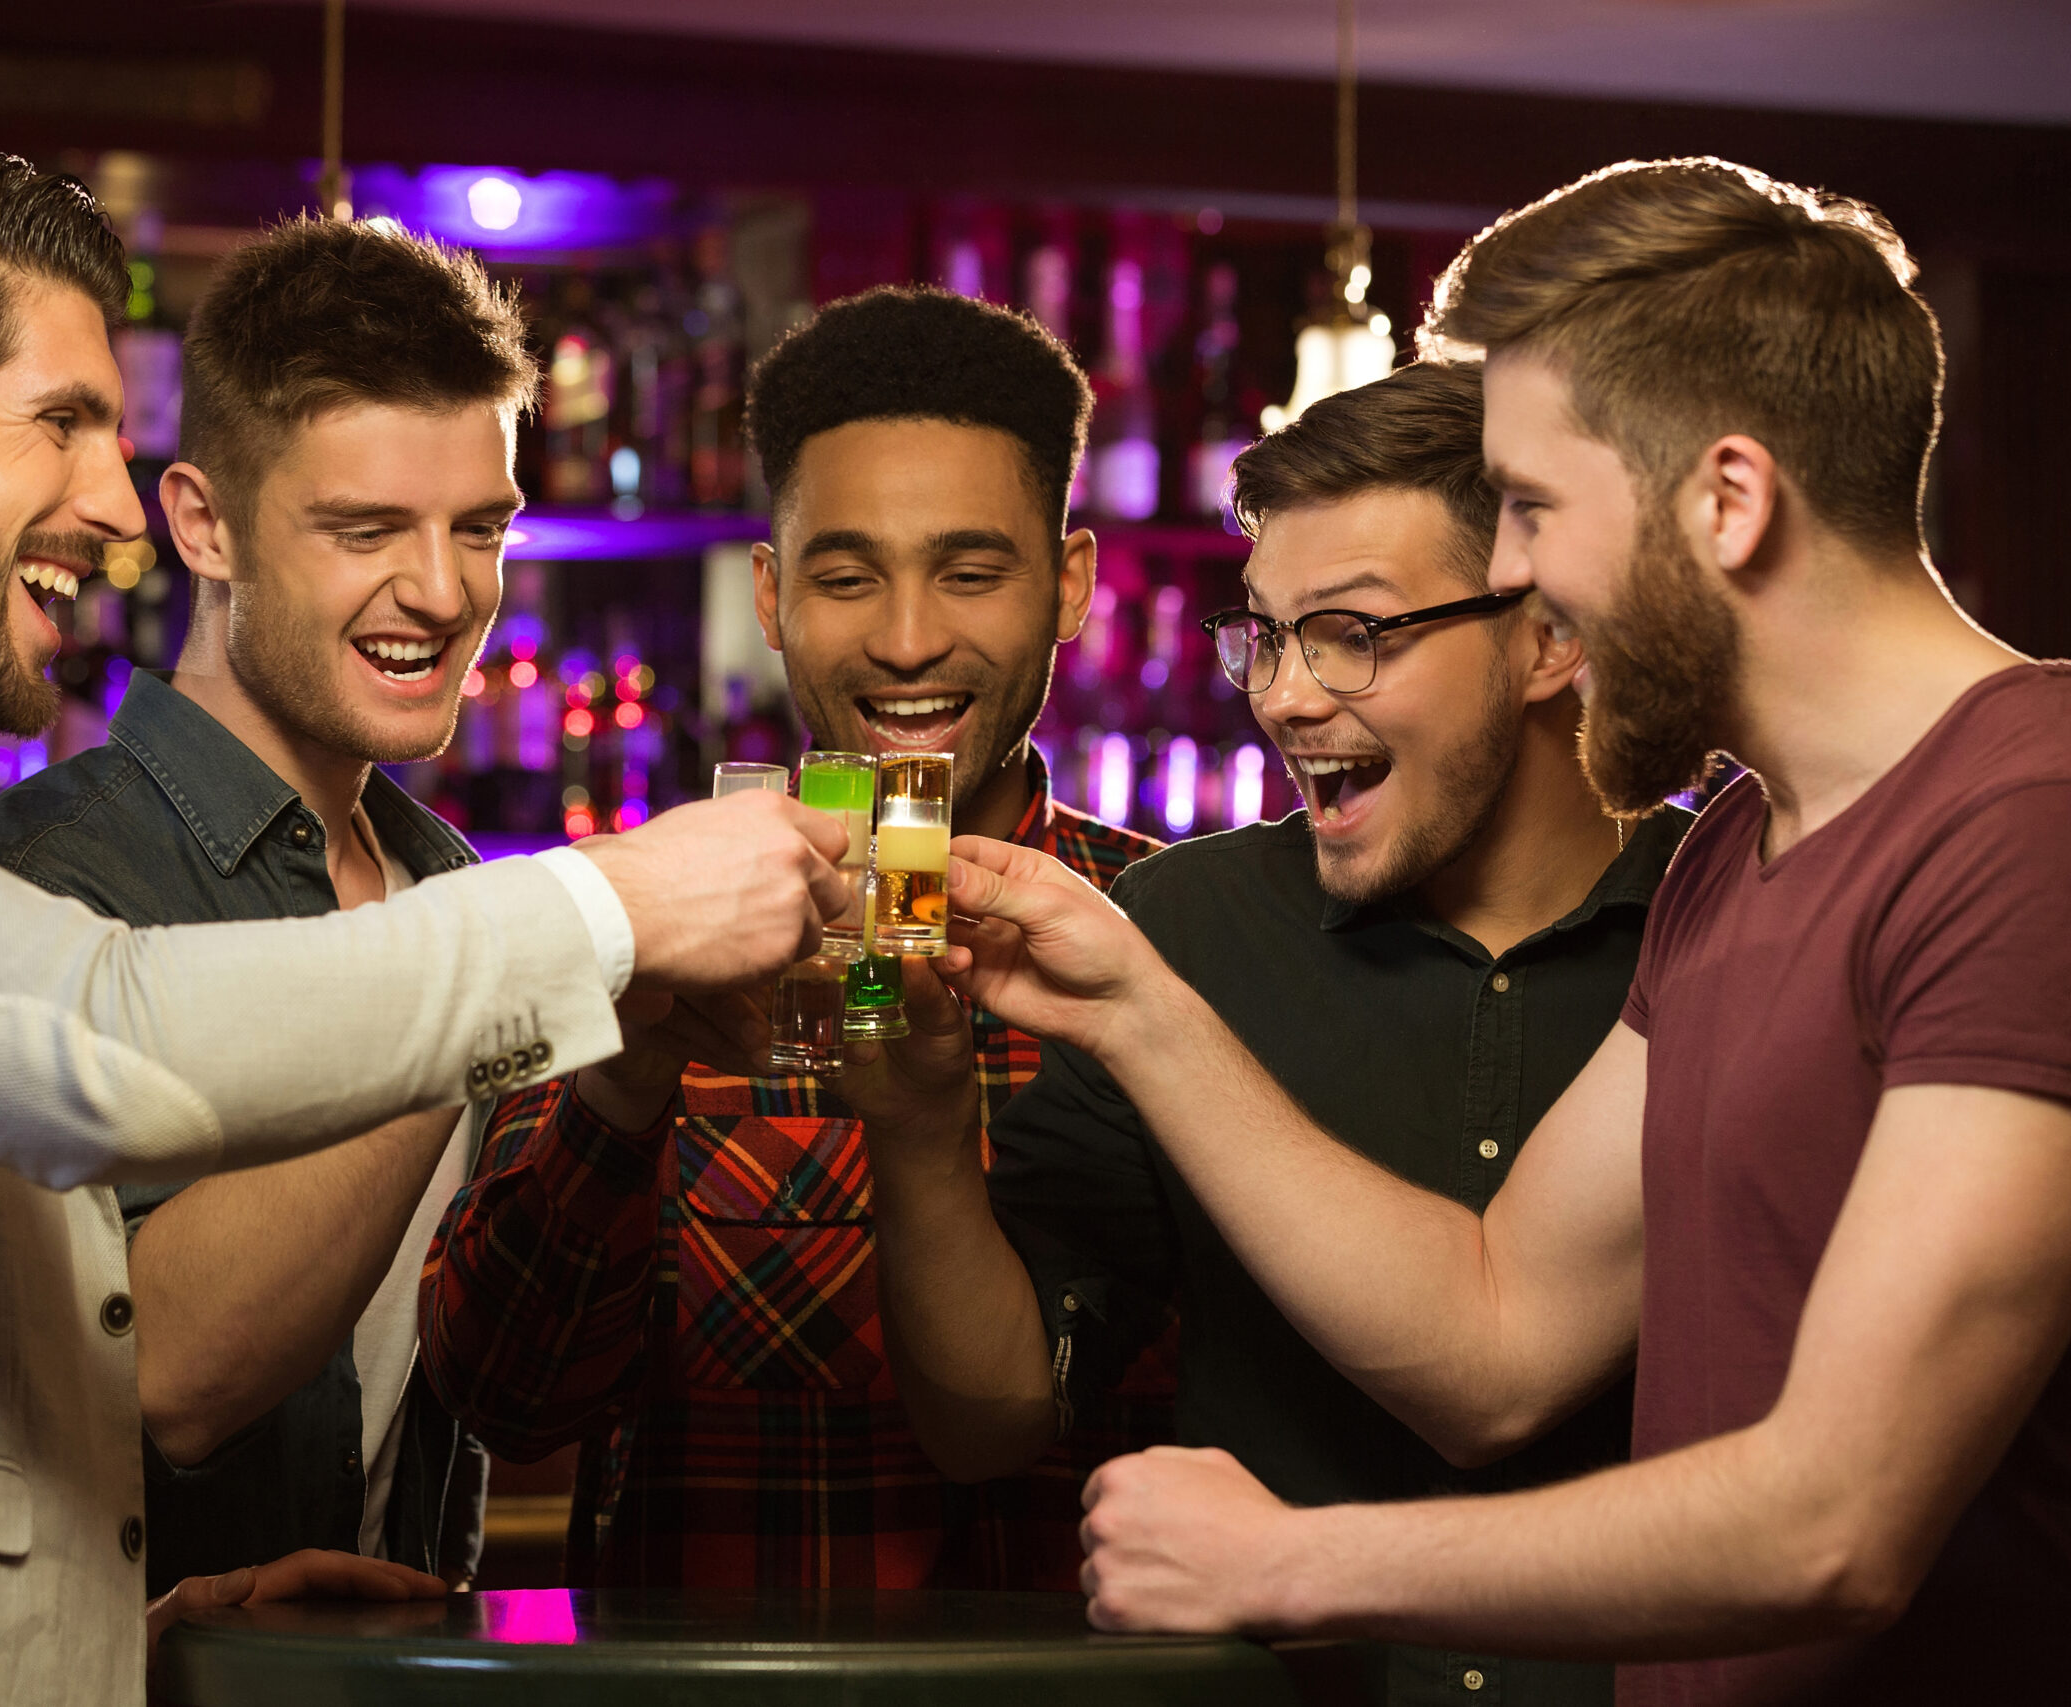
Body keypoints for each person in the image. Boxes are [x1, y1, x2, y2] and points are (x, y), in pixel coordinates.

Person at [0, 144, 844, 1707]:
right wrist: (610, 905)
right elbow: (96, 1049)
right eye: (63, 423)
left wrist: (126, 1634)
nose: (109, 502)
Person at [914, 158, 2071, 1704]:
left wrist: (1290, 1564)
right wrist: (1138, 1004)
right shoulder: (1746, 843)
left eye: (1530, 507)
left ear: (1727, 500)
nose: (1515, 576)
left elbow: (1835, 1525)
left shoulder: (2026, 823)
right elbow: (1500, 1343)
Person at [842, 358, 1672, 1707]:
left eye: (1354, 634)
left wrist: (1151, 1025)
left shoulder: (1731, 924)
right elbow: (994, 1418)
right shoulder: (1189, 920)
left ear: (1550, 636)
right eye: (1266, 637)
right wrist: (922, 1132)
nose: (1283, 695)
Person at [418, 286, 1170, 1590]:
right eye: (846, 574)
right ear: (771, 594)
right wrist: (626, 1072)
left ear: (1072, 586)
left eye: (971, 570)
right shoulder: (652, 903)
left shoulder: (1170, 936)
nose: (907, 638)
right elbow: (505, 1398)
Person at [0, 217, 539, 1597]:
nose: (446, 594)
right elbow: (171, 1374)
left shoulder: (443, 878)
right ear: (204, 524)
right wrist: (502, 966)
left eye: (481, 528)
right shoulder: (56, 879)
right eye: (367, 530)